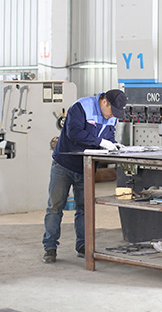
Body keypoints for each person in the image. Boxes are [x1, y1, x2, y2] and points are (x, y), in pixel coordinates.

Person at [42, 89, 127, 263]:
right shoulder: (82, 107)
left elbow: (108, 135)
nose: (113, 116)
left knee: (84, 209)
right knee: (55, 208)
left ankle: (83, 246)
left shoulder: (111, 115)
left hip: (86, 168)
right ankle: (50, 247)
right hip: (64, 164)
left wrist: (115, 144)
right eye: (112, 111)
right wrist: (101, 142)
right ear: (105, 102)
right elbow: (74, 133)